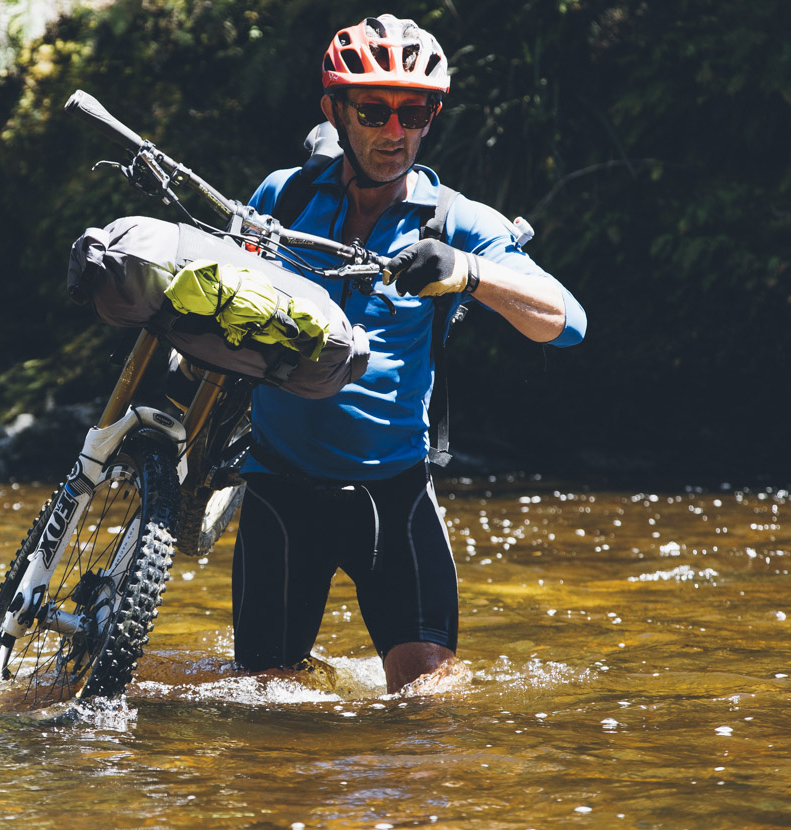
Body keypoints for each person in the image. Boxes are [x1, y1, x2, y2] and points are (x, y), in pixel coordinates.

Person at [232, 15, 587, 693]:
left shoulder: (455, 222)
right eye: (373, 110)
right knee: (265, 714)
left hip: (392, 493)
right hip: (278, 489)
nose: (394, 131)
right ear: (333, 111)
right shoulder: (285, 197)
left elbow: (565, 323)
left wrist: (466, 273)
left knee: (428, 705)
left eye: (414, 112)